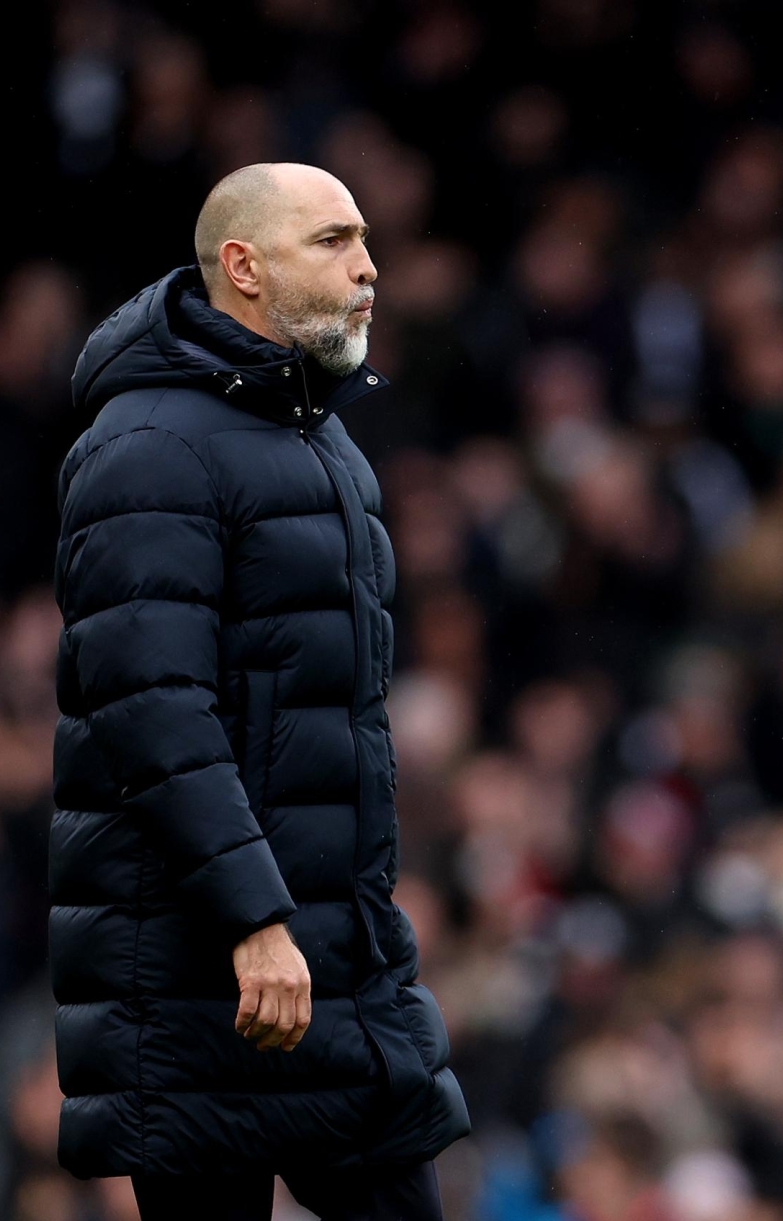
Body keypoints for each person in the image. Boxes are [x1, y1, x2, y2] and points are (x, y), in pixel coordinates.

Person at [47, 162, 470, 1220]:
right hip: (206, 972)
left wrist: (361, 927)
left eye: (366, 240)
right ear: (243, 266)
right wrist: (253, 921)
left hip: (335, 960)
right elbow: (152, 709)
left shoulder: (323, 440)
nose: (369, 267)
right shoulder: (147, 445)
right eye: (333, 241)